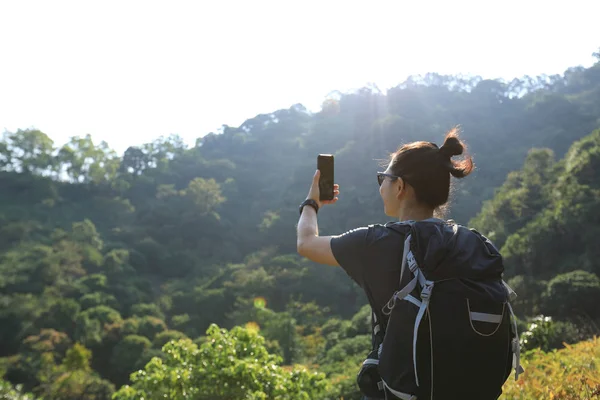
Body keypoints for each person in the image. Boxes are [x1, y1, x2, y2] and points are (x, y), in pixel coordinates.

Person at [296, 127, 478, 399]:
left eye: (384, 177)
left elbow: (306, 242)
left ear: (401, 186)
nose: (381, 185)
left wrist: (311, 203)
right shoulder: (469, 242)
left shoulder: (376, 242)